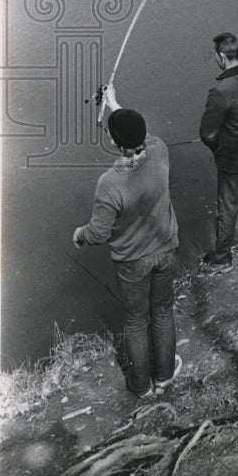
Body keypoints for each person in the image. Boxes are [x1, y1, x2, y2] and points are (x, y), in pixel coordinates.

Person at [72, 85, 180, 400]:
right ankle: (163, 378)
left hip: (133, 262)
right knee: (162, 312)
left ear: (113, 142)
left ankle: (140, 387)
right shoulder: (160, 152)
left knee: (135, 321)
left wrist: (79, 235)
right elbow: (141, 133)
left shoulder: (109, 184)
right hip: (166, 250)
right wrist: (114, 102)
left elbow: (98, 233)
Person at [199, 33, 238, 275]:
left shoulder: (220, 91)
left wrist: (217, 147)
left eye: (215, 55)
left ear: (222, 56)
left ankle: (223, 258)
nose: (214, 58)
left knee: (227, 207)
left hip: (233, 159)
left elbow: (207, 133)